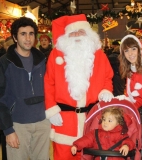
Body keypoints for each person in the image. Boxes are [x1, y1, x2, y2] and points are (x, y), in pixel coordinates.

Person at [44, 14, 114, 160]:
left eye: (81, 32)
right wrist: (51, 109)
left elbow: (108, 77)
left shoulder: (99, 55)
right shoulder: (55, 54)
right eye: (72, 33)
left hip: (91, 119)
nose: (77, 36)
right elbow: (49, 83)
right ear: (66, 36)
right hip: (64, 121)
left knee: (90, 155)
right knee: (63, 155)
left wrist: (106, 90)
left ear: (89, 34)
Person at [0, 17, 51, 160]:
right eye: (23, 33)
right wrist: (8, 130)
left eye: (31, 34)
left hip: (42, 123)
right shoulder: (4, 63)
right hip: (17, 125)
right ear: (15, 37)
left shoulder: (42, 60)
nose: (28, 38)